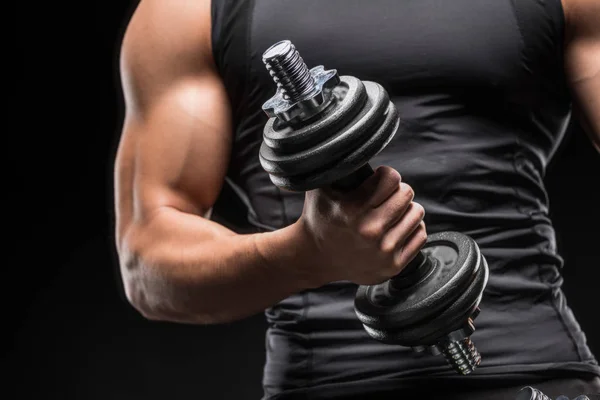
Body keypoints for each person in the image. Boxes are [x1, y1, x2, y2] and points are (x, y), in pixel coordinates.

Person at [114, 0, 600, 398]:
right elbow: (148, 261)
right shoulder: (188, 11)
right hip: (323, 383)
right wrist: (304, 256)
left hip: (534, 375)